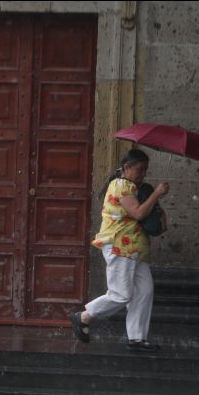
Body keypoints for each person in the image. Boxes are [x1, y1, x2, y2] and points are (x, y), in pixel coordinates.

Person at [69, 149, 169, 352]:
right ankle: (83, 317)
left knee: (144, 290)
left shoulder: (133, 187)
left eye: (145, 170)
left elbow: (145, 215)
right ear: (126, 168)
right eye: (139, 169)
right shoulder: (121, 185)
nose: (143, 174)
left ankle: (137, 338)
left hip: (133, 250)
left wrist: (158, 207)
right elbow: (138, 213)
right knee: (120, 294)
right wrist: (157, 193)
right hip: (119, 247)